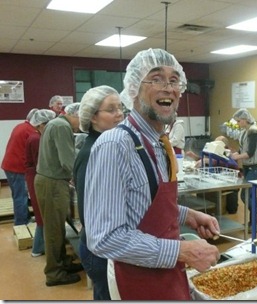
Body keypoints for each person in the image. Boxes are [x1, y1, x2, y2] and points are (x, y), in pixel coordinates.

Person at [84, 48, 220, 300]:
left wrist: (187, 214)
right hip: (135, 278)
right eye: (156, 79)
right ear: (134, 89)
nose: (168, 88)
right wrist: (183, 252)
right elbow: (105, 238)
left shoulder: (158, 141)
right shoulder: (115, 145)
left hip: (165, 272)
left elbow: (143, 204)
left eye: (174, 80)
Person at [73, 85, 124, 300]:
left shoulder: (108, 145)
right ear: (93, 117)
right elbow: (89, 212)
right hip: (99, 252)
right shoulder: (93, 152)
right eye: (111, 110)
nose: (120, 114)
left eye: (120, 107)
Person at [34, 102, 83, 287]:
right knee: (54, 230)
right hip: (53, 183)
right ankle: (54, 273)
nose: (83, 123)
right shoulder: (62, 127)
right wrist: (82, 181)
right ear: (75, 115)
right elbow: (68, 161)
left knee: (57, 228)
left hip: (48, 181)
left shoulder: (55, 123)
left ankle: (62, 263)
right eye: (83, 118)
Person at [25, 109, 56, 257]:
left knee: (41, 212)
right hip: (36, 176)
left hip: (34, 175)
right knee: (41, 213)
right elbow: (41, 161)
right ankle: (38, 248)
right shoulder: (37, 139)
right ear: (42, 125)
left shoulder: (35, 136)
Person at [1, 108, 39, 225]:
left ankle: (24, 218)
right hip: (17, 168)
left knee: (18, 195)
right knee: (21, 197)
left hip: (9, 165)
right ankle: (21, 223)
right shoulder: (31, 131)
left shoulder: (21, 126)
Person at [190, 135, 240, 214]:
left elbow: (231, 164)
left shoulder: (227, 153)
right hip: (217, 181)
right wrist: (196, 157)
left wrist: (210, 161)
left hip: (229, 184)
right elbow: (206, 160)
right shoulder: (215, 153)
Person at [230, 108, 257, 226]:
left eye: (239, 121)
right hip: (247, 167)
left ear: (245, 119)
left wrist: (237, 157)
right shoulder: (244, 131)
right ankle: (255, 219)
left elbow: (250, 153)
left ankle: (254, 221)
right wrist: (235, 154)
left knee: (248, 195)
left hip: (254, 167)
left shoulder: (254, 132)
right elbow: (243, 148)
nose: (238, 124)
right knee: (245, 195)